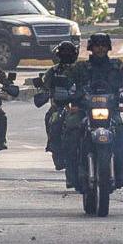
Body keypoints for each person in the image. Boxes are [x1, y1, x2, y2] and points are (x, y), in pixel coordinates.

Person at [68, 32, 123, 187]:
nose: (100, 49)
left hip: (111, 112)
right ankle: (73, 173)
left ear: (108, 48)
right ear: (90, 48)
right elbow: (68, 86)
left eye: (103, 46)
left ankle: (119, 172)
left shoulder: (118, 67)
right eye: (96, 46)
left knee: (122, 134)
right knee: (72, 131)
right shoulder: (80, 68)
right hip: (84, 111)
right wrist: (69, 95)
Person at [32, 40, 80, 170]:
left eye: (69, 53)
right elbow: (44, 86)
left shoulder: (82, 69)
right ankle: (55, 149)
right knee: (53, 119)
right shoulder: (53, 71)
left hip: (79, 106)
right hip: (59, 105)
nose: (66, 56)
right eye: (64, 53)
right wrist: (44, 92)